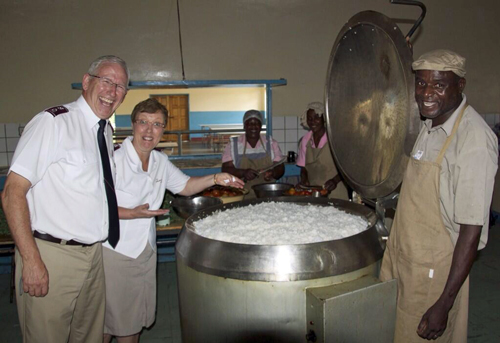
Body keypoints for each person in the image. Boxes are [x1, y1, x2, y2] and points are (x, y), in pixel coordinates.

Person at [1, 55, 129, 342]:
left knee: (89, 337)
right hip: (51, 255)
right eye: (106, 81)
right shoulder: (53, 123)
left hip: (93, 255)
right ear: (86, 81)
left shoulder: (105, 131)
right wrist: (31, 260)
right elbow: (12, 192)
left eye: (120, 86)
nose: (112, 91)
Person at [380, 50, 498, 342]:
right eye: (421, 84)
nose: (426, 93)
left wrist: (444, 302)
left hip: (432, 274)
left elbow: (471, 231)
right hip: (403, 258)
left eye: (439, 85)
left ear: (461, 85)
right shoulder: (431, 123)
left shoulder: (473, 141)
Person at [103, 98, 243, 343]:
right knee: (114, 323)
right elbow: (95, 206)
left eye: (157, 124)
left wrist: (216, 178)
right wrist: (131, 213)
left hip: (145, 250)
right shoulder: (113, 160)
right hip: (116, 251)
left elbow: (186, 186)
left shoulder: (159, 161)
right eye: (143, 122)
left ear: (163, 129)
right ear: (132, 125)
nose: (149, 130)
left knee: (128, 320)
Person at [221, 110, 284, 198]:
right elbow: (226, 169)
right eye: (249, 123)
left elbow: (280, 166)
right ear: (244, 126)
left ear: (261, 126)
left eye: (256, 123)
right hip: (241, 194)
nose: (253, 126)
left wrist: (273, 173)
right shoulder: (233, 145)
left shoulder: (271, 143)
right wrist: (243, 172)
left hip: (267, 194)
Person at [296, 102, 349, 200]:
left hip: (336, 192)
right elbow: (303, 167)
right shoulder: (305, 140)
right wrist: (304, 179)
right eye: (310, 119)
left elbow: (347, 168)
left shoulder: (334, 139)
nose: (313, 122)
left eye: (317, 117)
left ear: (324, 118)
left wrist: (334, 181)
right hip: (314, 194)